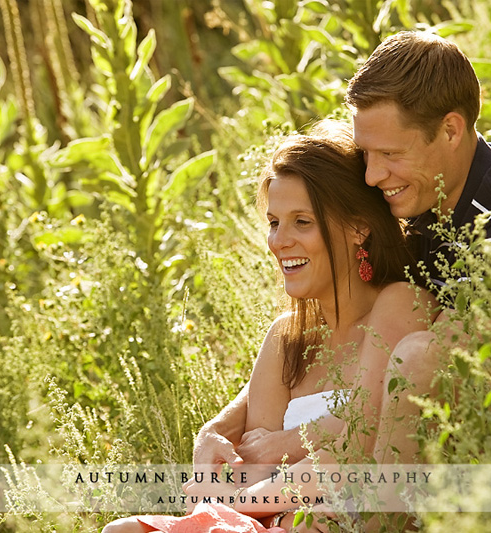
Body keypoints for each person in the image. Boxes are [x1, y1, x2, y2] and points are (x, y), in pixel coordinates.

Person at [194, 29, 491, 483]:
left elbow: (422, 377)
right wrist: (222, 425)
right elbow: (349, 328)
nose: (374, 175)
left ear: (451, 129)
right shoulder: (422, 202)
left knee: (418, 356)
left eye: (390, 154)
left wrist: (292, 441)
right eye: (365, 154)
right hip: (462, 446)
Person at [101, 121, 438, 533]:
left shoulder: (399, 304)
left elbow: (360, 443)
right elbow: (253, 464)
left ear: (357, 228)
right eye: (274, 222)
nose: (280, 241)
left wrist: (271, 464)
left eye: (302, 222)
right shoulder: (286, 338)